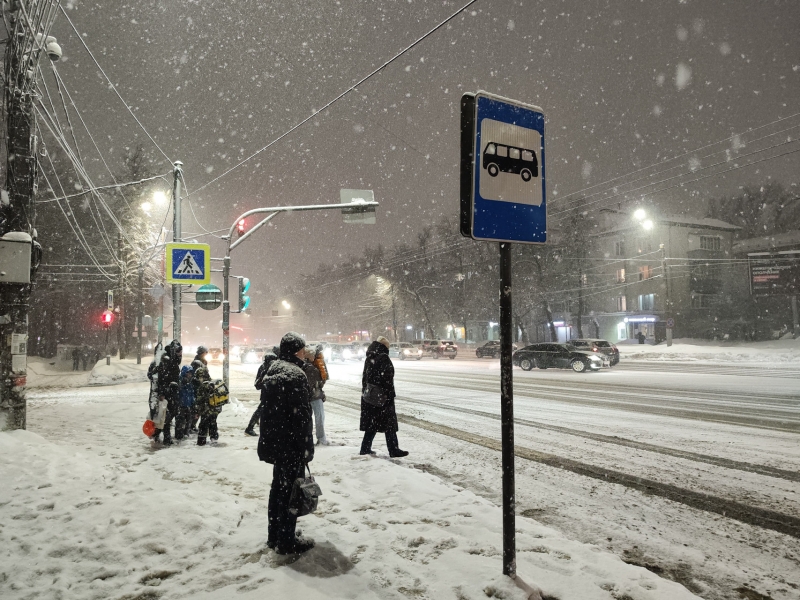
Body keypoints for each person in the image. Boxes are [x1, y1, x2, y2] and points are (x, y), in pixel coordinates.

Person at [257, 332, 315, 555]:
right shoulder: (295, 374)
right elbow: (301, 417)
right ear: (294, 351)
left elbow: (269, 412)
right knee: (291, 493)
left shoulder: (273, 371)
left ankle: (275, 535)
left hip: (276, 442)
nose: (304, 353)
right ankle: (287, 541)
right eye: (301, 349)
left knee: (278, 491)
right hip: (291, 444)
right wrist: (306, 447)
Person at [360, 336, 408, 458]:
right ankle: (393, 449)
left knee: (372, 424)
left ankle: (365, 449)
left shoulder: (370, 357)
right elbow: (387, 379)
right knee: (389, 424)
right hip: (383, 397)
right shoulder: (383, 358)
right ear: (385, 346)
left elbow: (365, 377)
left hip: (371, 396)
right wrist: (388, 394)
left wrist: (367, 391)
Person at [244, 346, 279, 436]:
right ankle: (251, 428)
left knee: (261, 410)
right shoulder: (275, 365)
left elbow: (258, 381)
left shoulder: (263, 365)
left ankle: (251, 427)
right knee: (270, 412)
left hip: (265, 393)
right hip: (273, 393)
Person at [155, 340, 182, 445]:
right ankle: (164, 436)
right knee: (167, 415)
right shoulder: (167, 361)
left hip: (173, 392)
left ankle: (160, 434)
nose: (180, 354)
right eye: (178, 352)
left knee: (171, 414)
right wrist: (163, 392)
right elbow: (162, 378)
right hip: (167, 393)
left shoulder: (174, 360)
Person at [302, 344, 328, 445]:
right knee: (320, 418)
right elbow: (322, 380)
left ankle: (307, 439)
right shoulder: (316, 366)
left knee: (307, 420)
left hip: (307, 396)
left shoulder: (303, 366)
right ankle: (321, 439)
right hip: (316, 395)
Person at [193, 360, 222, 446]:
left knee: (204, 424)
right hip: (214, 409)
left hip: (207, 409)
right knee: (213, 423)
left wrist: (197, 410)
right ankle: (214, 438)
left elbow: (200, 400)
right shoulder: (212, 383)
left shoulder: (203, 386)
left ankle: (201, 441)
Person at [176, 364, 195, 441]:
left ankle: (186, 433)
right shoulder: (180, 381)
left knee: (188, 419)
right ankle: (179, 435)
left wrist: (192, 402)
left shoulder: (190, 383)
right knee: (180, 420)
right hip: (181, 405)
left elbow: (191, 394)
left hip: (188, 405)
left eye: (190, 373)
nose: (189, 375)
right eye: (188, 373)